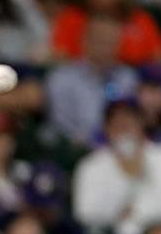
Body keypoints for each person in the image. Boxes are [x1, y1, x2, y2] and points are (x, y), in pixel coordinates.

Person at [73, 96, 161, 234]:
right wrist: (125, 173)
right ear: (106, 128)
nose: (123, 128)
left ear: (142, 123)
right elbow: (85, 211)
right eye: (117, 124)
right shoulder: (91, 166)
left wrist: (139, 210)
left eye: (128, 122)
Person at [46, 14, 138, 147]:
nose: (106, 48)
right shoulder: (61, 79)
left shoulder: (127, 78)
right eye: (101, 41)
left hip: (119, 147)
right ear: (85, 41)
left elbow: (131, 119)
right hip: (77, 149)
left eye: (111, 42)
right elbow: (61, 127)